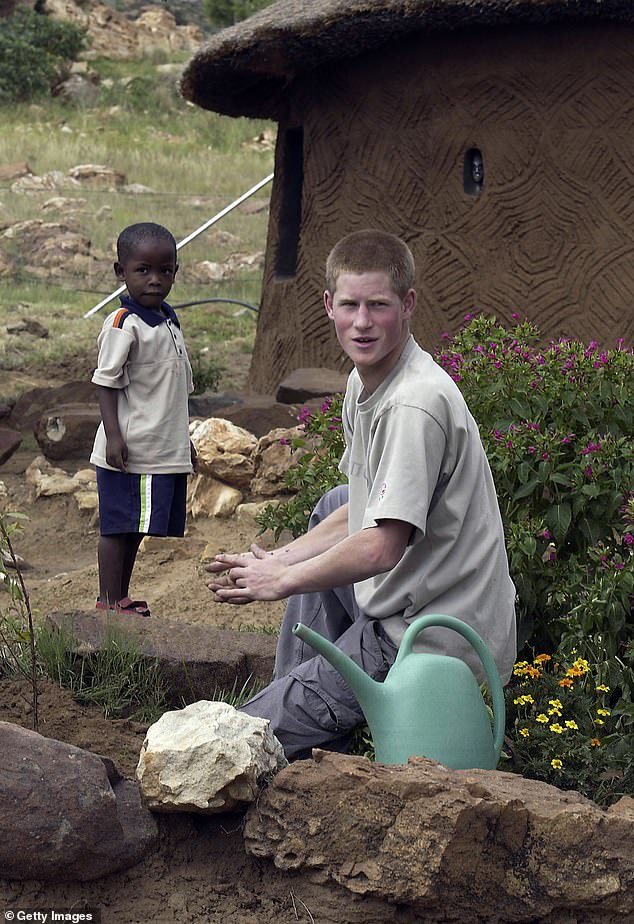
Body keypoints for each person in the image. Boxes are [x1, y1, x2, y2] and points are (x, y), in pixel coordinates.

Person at [207, 229, 516, 759]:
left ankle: (320, 705)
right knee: (332, 503)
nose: (363, 322)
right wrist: (278, 557)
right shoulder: (365, 380)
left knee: (241, 740)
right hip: (409, 598)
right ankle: (308, 678)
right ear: (329, 305)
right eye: (349, 305)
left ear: (408, 303)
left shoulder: (413, 405)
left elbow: (381, 547)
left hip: (431, 640)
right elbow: (359, 506)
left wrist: (280, 580)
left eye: (379, 305)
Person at [90, 222, 195, 617]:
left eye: (165, 270)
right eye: (142, 270)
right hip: (131, 450)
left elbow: (172, 393)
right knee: (118, 526)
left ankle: (120, 597)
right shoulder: (123, 324)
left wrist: (184, 440)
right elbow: (106, 384)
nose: (155, 279)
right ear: (121, 272)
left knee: (135, 527)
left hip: (160, 447)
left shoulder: (169, 320)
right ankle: (107, 602)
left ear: (175, 272)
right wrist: (114, 437)